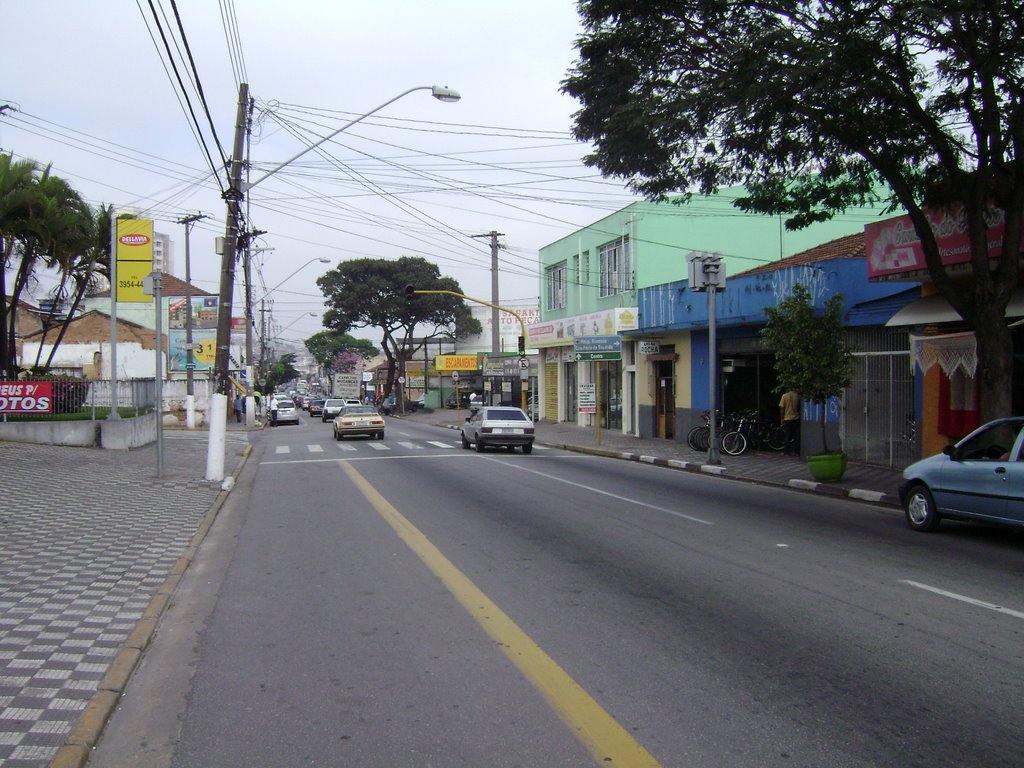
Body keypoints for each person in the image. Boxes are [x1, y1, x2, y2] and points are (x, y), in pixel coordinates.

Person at [779, 389, 800, 456]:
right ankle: (797, 451)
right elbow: (799, 406)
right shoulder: (797, 396)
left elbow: (782, 408)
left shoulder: (784, 396)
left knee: (787, 435)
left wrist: (782, 418)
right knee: (796, 435)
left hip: (787, 418)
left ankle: (786, 452)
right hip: (796, 418)